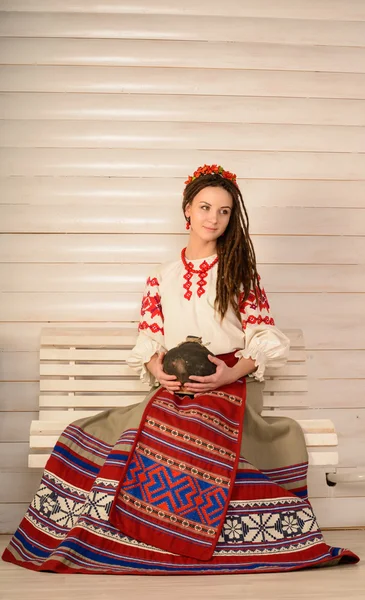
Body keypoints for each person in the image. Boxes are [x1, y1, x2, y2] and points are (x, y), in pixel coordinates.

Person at [2, 164, 359, 574]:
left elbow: (263, 335)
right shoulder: (161, 277)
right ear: (187, 209)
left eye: (224, 211)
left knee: (194, 428)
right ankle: (137, 537)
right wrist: (157, 366)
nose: (214, 218)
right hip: (176, 382)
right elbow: (150, 336)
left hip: (230, 378)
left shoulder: (239, 272)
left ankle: (190, 539)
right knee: (120, 431)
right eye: (206, 207)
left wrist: (229, 374)